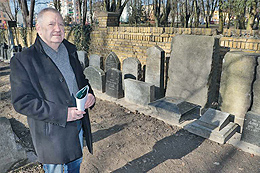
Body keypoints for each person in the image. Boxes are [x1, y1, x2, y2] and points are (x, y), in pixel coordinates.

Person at [10, 7, 95, 173]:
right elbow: (22, 102)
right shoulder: (23, 60)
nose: (58, 29)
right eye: (51, 24)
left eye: (61, 24)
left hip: (77, 127)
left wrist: (90, 94)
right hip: (53, 137)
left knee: (75, 167)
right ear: (39, 29)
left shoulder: (70, 50)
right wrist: (63, 113)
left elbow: (81, 80)